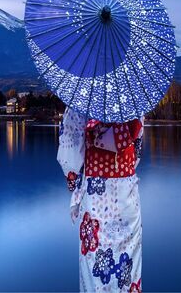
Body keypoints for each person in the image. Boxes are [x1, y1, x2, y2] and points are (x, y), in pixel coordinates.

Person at [57, 107, 144, 292]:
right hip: (127, 194)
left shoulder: (83, 101)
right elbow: (136, 152)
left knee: (94, 267)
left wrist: (74, 181)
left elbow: (69, 156)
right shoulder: (134, 101)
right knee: (128, 265)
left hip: (96, 194)